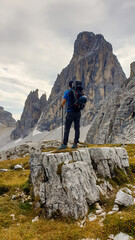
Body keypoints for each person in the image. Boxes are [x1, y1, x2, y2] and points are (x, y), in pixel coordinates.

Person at [58, 80, 81, 149]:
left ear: (69, 86)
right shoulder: (78, 92)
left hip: (70, 113)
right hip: (78, 112)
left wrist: (61, 106)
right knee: (77, 128)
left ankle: (64, 144)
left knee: (67, 128)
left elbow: (63, 102)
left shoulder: (67, 92)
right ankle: (75, 143)